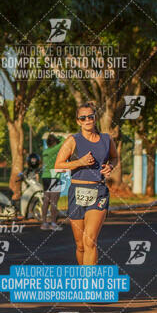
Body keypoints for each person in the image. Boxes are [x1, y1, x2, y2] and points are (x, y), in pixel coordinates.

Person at [54, 102, 118, 265]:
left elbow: (115, 157)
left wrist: (110, 166)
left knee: (90, 241)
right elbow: (58, 165)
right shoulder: (72, 140)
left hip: (99, 192)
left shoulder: (106, 139)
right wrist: (80, 162)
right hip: (77, 191)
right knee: (81, 245)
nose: (88, 120)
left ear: (95, 118)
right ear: (78, 121)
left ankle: (90, 286)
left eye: (90, 116)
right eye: (83, 118)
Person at [41, 134, 64, 231]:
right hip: (54, 176)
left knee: (46, 201)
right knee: (54, 202)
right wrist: (59, 137)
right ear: (54, 142)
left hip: (45, 176)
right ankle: (53, 223)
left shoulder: (45, 151)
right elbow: (64, 141)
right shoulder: (55, 149)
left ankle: (44, 223)